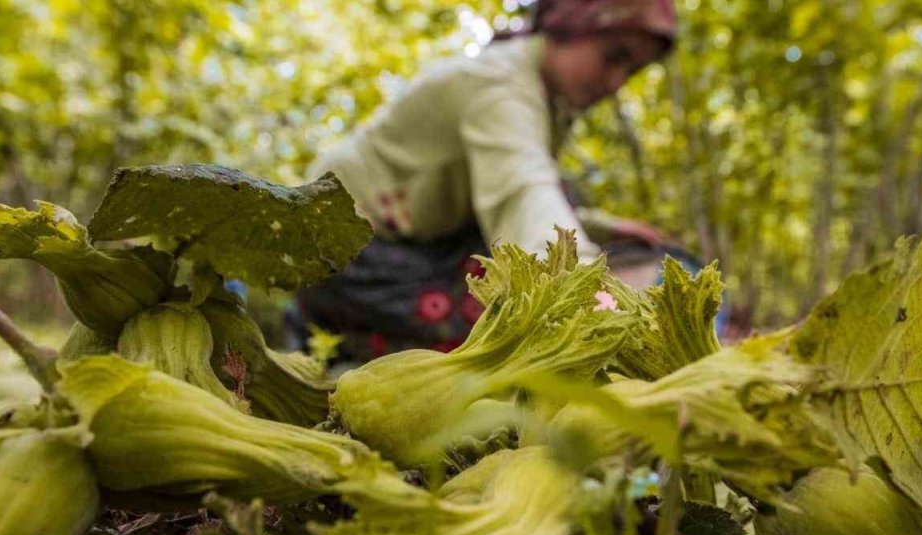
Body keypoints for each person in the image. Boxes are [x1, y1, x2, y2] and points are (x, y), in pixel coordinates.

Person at [289, 0, 690, 361]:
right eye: (614, 56)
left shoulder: (543, 95)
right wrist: (595, 299)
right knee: (504, 329)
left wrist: (602, 226)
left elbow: (519, 187)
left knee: (563, 198)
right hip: (343, 250)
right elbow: (521, 194)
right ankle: (329, 333)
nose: (616, 82)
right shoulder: (500, 85)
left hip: (422, 238)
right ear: (571, 25)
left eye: (631, 70)